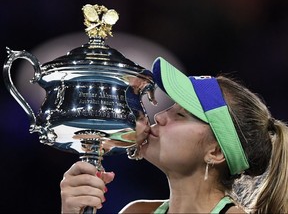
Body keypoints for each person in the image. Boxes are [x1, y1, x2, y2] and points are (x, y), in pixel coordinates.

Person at [60, 57, 288, 213]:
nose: (158, 116)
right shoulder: (135, 211)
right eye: (169, 107)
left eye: (181, 115)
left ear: (216, 151)